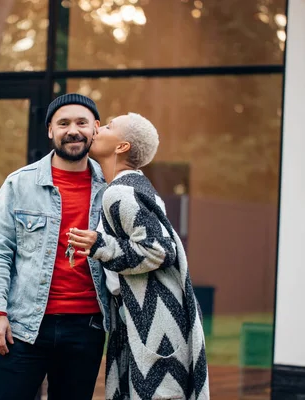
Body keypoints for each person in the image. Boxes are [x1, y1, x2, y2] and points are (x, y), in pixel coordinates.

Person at [67, 113, 210, 400]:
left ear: (122, 147)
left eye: (108, 126)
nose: (97, 128)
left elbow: (160, 249)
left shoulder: (120, 192)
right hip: (144, 317)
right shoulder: (130, 187)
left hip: (154, 321)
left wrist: (101, 246)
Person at [0, 93, 111, 400]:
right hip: (23, 327)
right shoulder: (19, 184)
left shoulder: (113, 188)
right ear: (50, 130)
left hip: (86, 327)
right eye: (63, 123)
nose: (73, 130)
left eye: (81, 122)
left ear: (95, 128)